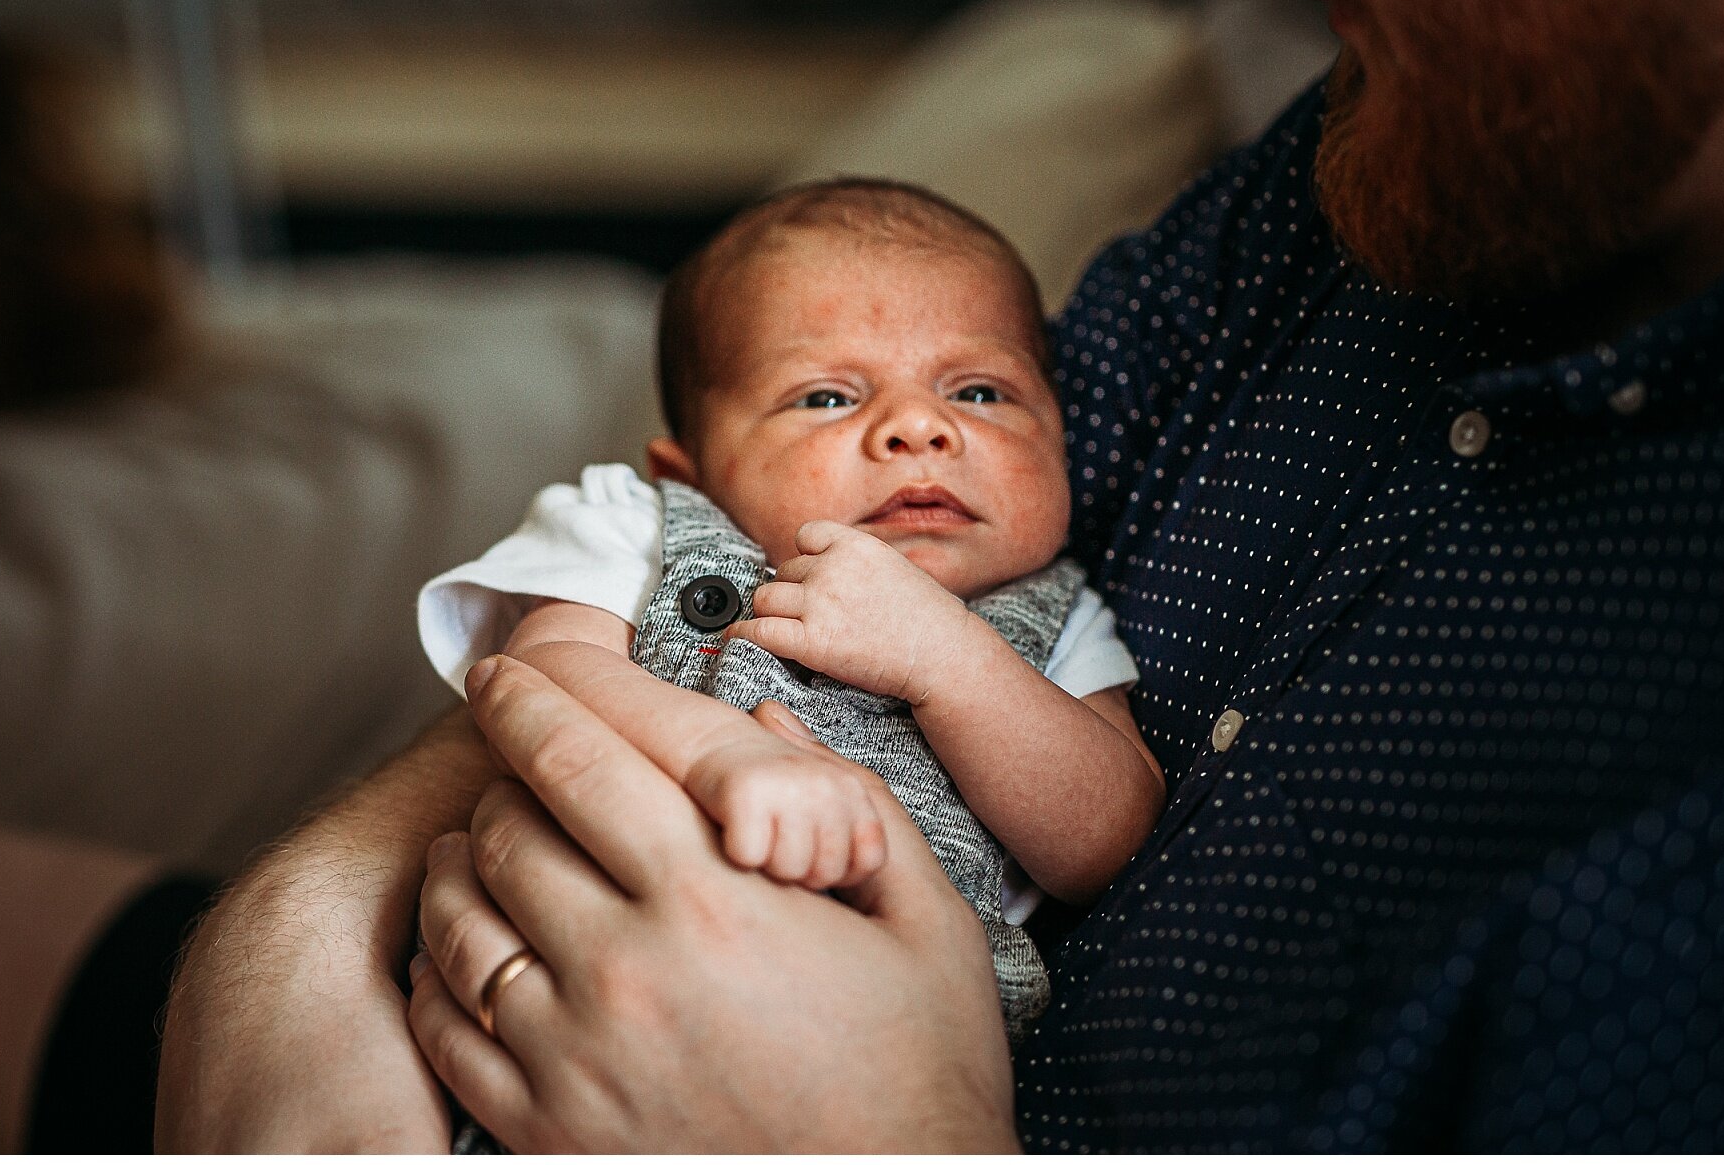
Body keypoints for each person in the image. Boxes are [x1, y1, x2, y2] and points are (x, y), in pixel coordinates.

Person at [0, 0, 1724, 1153]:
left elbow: (1079, 791)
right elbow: (650, 585)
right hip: (462, 1010)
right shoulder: (1367, 183)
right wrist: (290, 958)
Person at [416, 180, 1163, 1100]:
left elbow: (1111, 837)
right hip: (577, 1007)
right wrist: (717, 750)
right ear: (692, 469)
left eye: (978, 390)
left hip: (901, 1070)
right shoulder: (643, 529)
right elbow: (539, 678)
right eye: (825, 396)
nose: (919, 427)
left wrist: (949, 659)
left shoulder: (1056, 615)